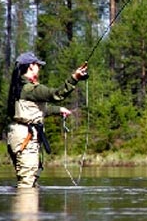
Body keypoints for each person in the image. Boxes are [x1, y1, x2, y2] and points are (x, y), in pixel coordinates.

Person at [6, 52, 88, 188]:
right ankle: (26, 208)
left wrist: (58, 110)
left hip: (17, 136)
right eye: (38, 65)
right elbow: (56, 94)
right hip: (26, 138)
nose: (39, 68)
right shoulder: (31, 89)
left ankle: (28, 207)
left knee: (29, 180)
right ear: (31, 66)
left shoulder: (19, 88)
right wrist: (75, 78)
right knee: (27, 182)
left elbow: (31, 110)